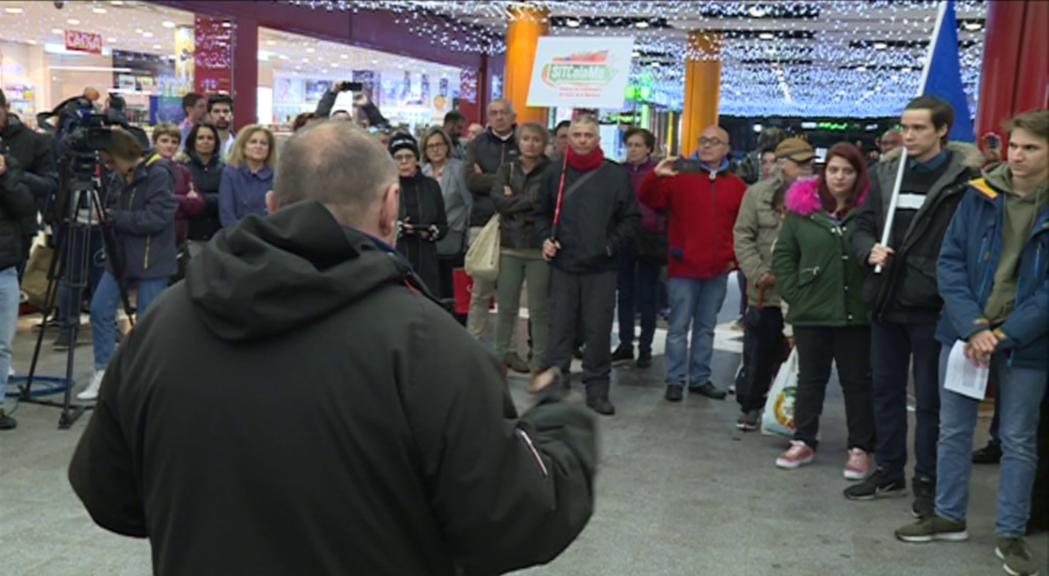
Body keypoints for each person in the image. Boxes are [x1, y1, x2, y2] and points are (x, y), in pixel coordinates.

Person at [67, 121, 598, 576]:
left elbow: (108, 493)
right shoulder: (427, 343)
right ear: (391, 207)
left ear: (274, 205)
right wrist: (560, 426)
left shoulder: (164, 323)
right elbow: (514, 521)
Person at [895, 108, 1048, 576]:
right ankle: (949, 514)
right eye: (1014, 146)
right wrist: (975, 327)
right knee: (953, 429)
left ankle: (1010, 534)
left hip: (1026, 343)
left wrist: (1004, 333)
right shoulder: (978, 195)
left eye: (1030, 148)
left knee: (1019, 440)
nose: (1017, 156)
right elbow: (951, 263)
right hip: (965, 333)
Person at [846, 96, 983, 519]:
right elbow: (860, 224)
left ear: (942, 130)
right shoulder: (888, 170)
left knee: (930, 402)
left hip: (934, 305)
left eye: (919, 128)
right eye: (905, 127)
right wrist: (868, 249)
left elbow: (970, 244)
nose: (908, 135)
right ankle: (889, 468)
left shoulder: (965, 181)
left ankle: (928, 479)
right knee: (885, 391)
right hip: (886, 299)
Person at [771, 143, 876, 476]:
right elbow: (784, 256)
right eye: (833, 170)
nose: (839, 177)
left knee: (856, 381)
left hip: (855, 312)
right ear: (823, 172)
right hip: (812, 311)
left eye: (847, 171)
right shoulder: (802, 212)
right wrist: (796, 294)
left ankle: (860, 446)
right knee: (810, 379)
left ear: (858, 175)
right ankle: (803, 439)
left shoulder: (870, 213)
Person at [534, 115, 640, 416]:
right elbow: (540, 213)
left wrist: (610, 245)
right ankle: (556, 388)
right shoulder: (555, 173)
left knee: (598, 330)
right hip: (563, 264)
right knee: (559, 331)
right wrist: (545, 239)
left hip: (601, 268)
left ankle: (597, 389)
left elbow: (631, 218)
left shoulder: (615, 175)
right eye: (576, 134)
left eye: (587, 135)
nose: (581, 140)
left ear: (597, 139)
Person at [639, 125, 747, 402]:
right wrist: (654, 176)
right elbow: (648, 199)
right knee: (678, 327)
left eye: (714, 142)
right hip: (683, 266)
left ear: (726, 148)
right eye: (703, 141)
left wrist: (732, 259)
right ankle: (675, 379)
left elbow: (742, 228)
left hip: (717, 269)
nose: (707, 146)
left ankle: (700, 378)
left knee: (706, 327)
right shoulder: (679, 177)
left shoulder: (736, 187)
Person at [77, 129, 178, 401]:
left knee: (148, 322)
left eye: (111, 161)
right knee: (99, 309)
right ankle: (103, 371)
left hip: (151, 259)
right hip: (119, 257)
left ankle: (147, 379)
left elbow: (158, 218)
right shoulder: (119, 176)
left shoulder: (159, 173)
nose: (109, 167)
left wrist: (114, 217)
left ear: (123, 154)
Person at [732, 137, 815, 430]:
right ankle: (751, 405)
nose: (807, 169)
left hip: (805, 291)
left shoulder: (821, 195)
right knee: (759, 352)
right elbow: (743, 236)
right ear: (782, 165)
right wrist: (756, 273)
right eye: (800, 163)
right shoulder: (757, 195)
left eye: (809, 163)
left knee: (802, 358)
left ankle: (797, 416)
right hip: (766, 289)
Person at [463, 100, 524, 366]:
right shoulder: (477, 144)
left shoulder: (523, 143)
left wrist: (489, 177)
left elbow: (526, 182)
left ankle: (508, 350)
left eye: (503, 113)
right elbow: (470, 180)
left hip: (514, 224)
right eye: (494, 113)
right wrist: (503, 182)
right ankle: (471, 347)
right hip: (482, 222)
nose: (498, 118)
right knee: (480, 290)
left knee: (509, 293)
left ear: (513, 117)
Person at [491, 123, 551, 376]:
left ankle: (538, 362)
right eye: (526, 139)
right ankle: (500, 358)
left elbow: (543, 203)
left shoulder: (551, 170)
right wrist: (526, 200)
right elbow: (499, 201)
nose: (530, 144)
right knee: (506, 307)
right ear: (519, 141)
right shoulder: (507, 169)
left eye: (536, 139)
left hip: (539, 248)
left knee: (539, 310)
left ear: (543, 143)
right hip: (509, 246)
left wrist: (514, 199)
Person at [0, 112, 40, 430]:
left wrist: (4, 177)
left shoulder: (8, 165)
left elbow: (26, 207)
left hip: (4, 267)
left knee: (2, 343)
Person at [611, 127, 661, 368]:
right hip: (624, 237)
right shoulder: (619, 172)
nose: (632, 149)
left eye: (638, 145)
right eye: (629, 144)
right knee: (625, 294)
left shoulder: (657, 173)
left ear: (649, 148)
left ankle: (646, 346)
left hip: (650, 238)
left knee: (647, 295)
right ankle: (625, 343)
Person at [390, 132, 447, 294]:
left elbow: (443, 226)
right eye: (398, 157)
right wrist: (398, 228)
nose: (404, 162)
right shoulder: (386, 188)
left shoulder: (431, 186)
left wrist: (430, 231)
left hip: (426, 259)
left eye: (408, 156)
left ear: (417, 159)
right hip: (396, 259)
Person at [421, 128, 471, 300]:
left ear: (447, 146)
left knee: (453, 289)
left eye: (439, 145)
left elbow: (469, 203)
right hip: (428, 238)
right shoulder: (422, 171)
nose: (435, 149)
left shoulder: (459, 169)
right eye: (430, 146)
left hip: (454, 236)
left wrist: (468, 236)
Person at [151, 124, 203, 250]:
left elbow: (198, 205)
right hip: (153, 238)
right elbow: (155, 203)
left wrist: (173, 199)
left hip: (179, 239)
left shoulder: (183, 171)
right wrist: (184, 200)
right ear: (154, 143)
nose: (169, 145)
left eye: (174, 142)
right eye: (164, 141)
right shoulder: (147, 169)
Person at [219, 125, 276, 228]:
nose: (258, 146)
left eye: (263, 143)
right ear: (243, 146)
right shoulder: (230, 173)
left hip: (268, 235)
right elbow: (226, 212)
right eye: (253, 142)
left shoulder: (276, 175)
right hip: (237, 235)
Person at [181, 123, 225, 253]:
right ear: (193, 141)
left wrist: (201, 199)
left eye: (210, 138)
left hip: (218, 237)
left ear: (216, 142)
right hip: (190, 237)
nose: (205, 141)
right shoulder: (182, 168)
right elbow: (182, 202)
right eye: (200, 138)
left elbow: (226, 200)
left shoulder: (225, 169)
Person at [207, 94, 236, 159]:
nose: (222, 115)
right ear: (209, 116)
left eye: (226, 111)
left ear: (232, 115)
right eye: (216, 111)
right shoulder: (202, 143)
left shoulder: (241, 144)